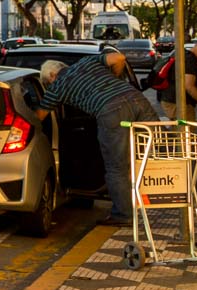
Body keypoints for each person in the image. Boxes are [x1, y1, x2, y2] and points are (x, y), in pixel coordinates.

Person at [39, 51, 159, 225]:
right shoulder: (86, 61)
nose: (48, 85)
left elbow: (39, 116)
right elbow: (120, 57)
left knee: (116, 167)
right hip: (135, 98)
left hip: (111, 111)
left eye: (46, 82)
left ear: (52, 75)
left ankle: (123, 215)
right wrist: (115, 77)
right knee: (164, 144)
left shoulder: (56, 87)